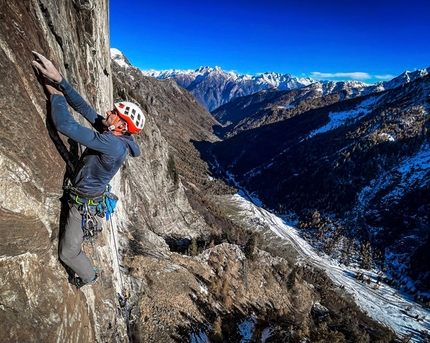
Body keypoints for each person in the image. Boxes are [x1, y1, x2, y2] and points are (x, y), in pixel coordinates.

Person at [32, 51, 145, 288]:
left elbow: (65, 125)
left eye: (114, 113)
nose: (107, 112)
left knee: (68, 253)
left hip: (81, 204)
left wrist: (54, 93)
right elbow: (85, 109)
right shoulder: (114, 135)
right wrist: (60, 80)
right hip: (87, 194)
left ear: (122, 125)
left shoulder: (112, 144)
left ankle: (89, 277)